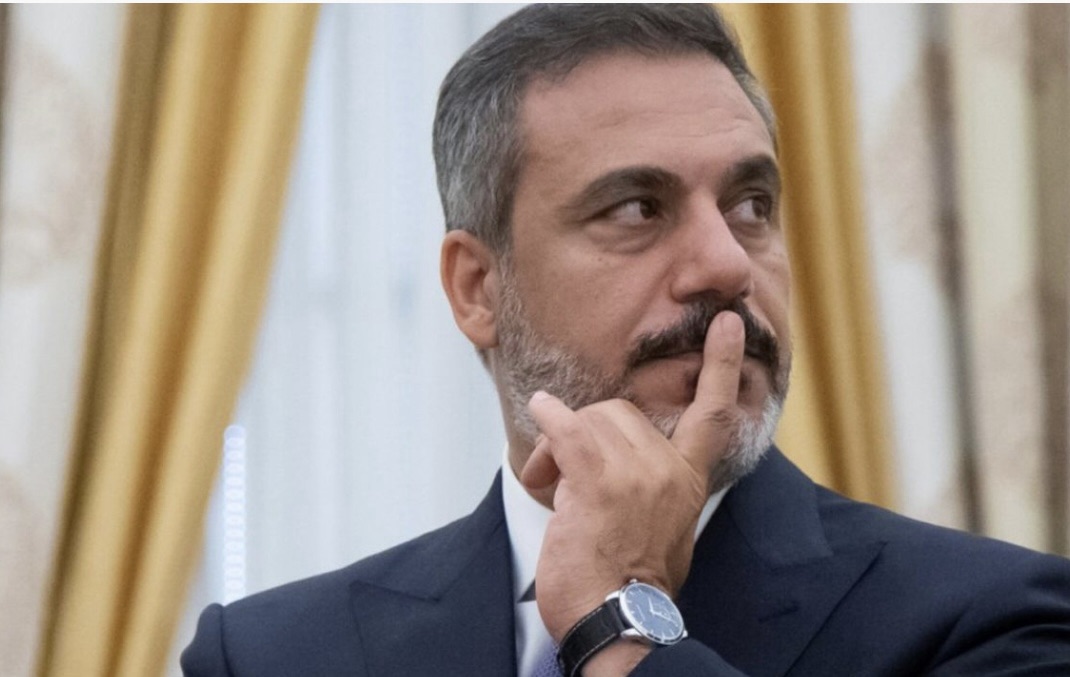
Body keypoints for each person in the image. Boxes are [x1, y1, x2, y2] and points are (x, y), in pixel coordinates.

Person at [182, 5, 1070, 676]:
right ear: (478, 288)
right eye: (638, 208)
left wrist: (620, 620)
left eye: (751, 205)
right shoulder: (268, 655)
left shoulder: (996, 622)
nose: (727, 264)